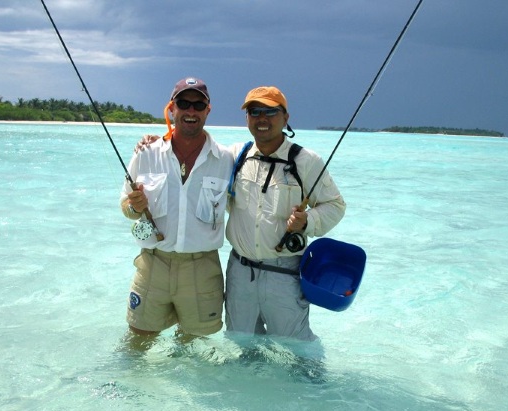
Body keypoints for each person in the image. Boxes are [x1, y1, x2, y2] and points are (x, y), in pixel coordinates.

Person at [225, 86, 346, 341]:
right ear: (246, 118)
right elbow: (196, 149)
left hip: (285, 274)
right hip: (239, 271)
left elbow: (335, 205)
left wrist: (308, 221)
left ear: (286, 118)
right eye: (255, 111)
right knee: (241, 345)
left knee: (298, 352)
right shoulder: (235, 156)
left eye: (271, 111)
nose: (262, 118)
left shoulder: (307, 161)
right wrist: (154, 143)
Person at [119, 77, 233, 345]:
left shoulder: (227, 159)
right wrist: (134, 207)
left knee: (193, 351)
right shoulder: (146, 153)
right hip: (152, 263)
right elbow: (125, 205)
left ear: (208, 110)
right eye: (183, 103)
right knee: (136, 344)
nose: (190, 111)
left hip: (202, 267)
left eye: (198, 104)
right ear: (172, 109)